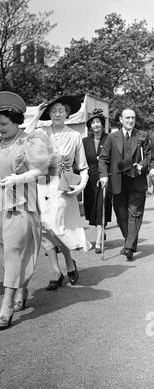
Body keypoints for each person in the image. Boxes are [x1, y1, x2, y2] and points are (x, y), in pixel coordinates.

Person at [0, 91, 52, 330]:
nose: (0, 128)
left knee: (14, 251)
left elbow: (42, 170)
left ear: (16, 122)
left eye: (4, 124)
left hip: (21, 204)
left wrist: (18, 179)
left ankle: (6, 305)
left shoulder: (31, 141)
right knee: (5, 255)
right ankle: (22, 287)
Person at [25, 95, 91, 290]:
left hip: (63, 187)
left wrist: (81, 186)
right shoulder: (42, 132)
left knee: (57, 226)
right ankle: (56, 271)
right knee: (44, 228)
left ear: (67, 113)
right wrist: (36, 115)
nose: (57, 114)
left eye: (61, 110)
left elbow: (83, 167)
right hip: (42, 184)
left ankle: (69, 262)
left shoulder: (74, 136)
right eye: (53, 111)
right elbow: (24, 139)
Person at [98, 108, 151, 261]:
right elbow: (103, 159)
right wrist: (103, 176)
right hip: (117, 182)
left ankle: (128, 247)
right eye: (127, 118)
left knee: (135, 213)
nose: (130, 120)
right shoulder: (111, 137)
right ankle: (130, 241)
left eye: (133, 118)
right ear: (121, 119)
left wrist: (142, 165)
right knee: (121, 216)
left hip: (137, 182)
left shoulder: (142, 136)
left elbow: (149, 156)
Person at [82, 109, 112, 254]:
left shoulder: (109, 139)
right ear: (90, 126)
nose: (96, 125)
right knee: (93, 208)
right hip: (90, 179)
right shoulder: (85, 141)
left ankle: (99, 241)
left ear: (102, 124)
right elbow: (80, 161)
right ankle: (101, 229)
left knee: (101, 206)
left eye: (98, 122)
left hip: (105, 177)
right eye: (93, 123)